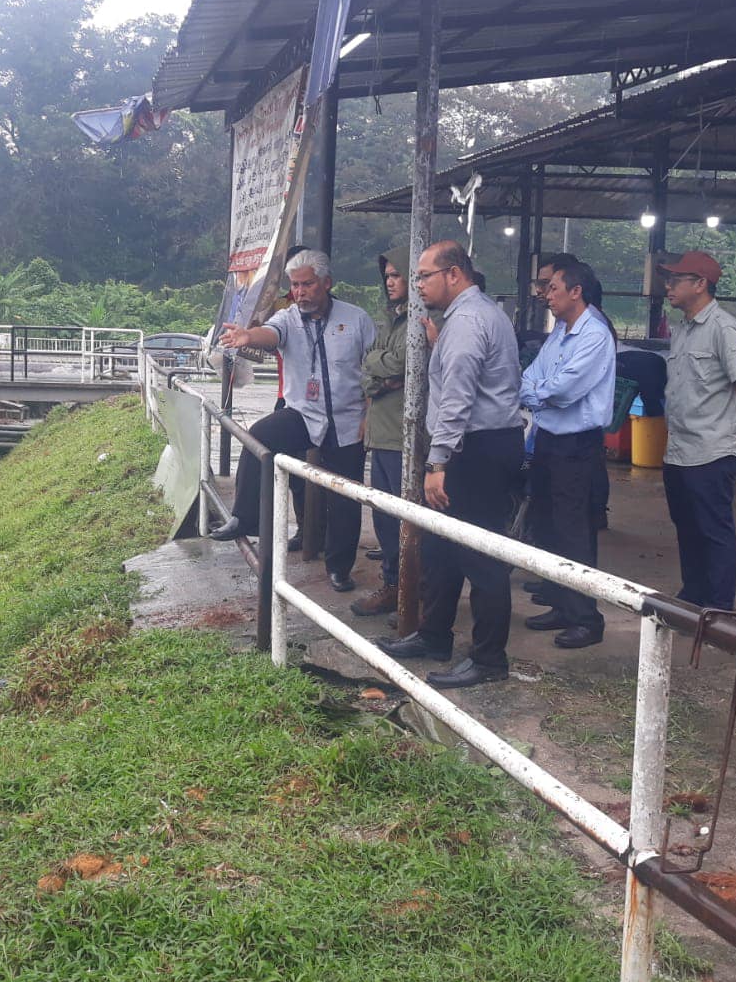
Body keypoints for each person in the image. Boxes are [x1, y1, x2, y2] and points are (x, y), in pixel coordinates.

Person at [377, 240, 523, 688]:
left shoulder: (469, 321)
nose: (417, 285)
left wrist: (437, 460)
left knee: (480, 553)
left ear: (454, 274)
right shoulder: (465, 319)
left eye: (424, 275)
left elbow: (458, 398)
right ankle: (434, 634)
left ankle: (488, 659)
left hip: (476, 449)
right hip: (475, 444)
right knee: (441, 548)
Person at [209, 249, 376, 593]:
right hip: (304, 413)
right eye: (295, 285)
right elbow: (270, 334)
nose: (300, 292)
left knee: (345, 497)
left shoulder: (357, 320)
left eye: (307, 284)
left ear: (326, 283)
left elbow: (372, 372)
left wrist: (369, 417)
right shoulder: (288, 318)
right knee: (260, 437)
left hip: (348, 420)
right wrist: (248, 336)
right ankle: (245, 517)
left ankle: (339, 569)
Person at [519, 258, 615, 650]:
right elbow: (531, 374)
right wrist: (538, 392)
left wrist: (538, 394)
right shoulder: (560, 331)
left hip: (577, 445)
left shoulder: (595, 334)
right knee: (546, 522)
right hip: (548, 437)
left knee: (574, 529)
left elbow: (564, 389)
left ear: (576, 291)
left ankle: (586, 619)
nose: (546, 295)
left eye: (553, 288)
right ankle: (560, 601)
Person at [660, 250, 736, 611]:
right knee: (686, 526)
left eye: (676, 280)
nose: (668, 286)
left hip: (712, 449)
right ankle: (694, 594)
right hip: (679, 449)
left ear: (701, 284)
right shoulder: (682, 329)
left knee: (713, 529)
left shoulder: (724, 329)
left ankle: (719, 607)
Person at [350, 246, 409, 617]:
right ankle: (392, 585)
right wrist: (380, 375)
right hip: (381, 434)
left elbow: (403, 363)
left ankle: (407, 589)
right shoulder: (390, 319)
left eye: (396, 275)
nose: (390, 282)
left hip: (404, 437)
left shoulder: (423, 320)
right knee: (384, 521)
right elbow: (369, 367)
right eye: (386, 276)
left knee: (405, 523)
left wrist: (381, 370)